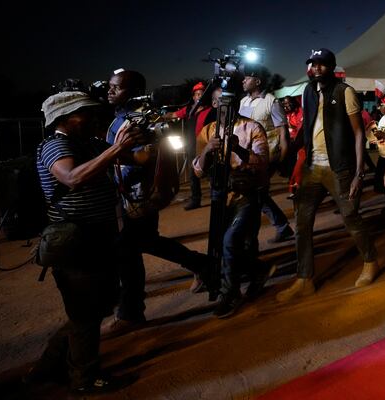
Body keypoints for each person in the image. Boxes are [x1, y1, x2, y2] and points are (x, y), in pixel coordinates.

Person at [29, 92, 141, 393]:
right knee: (84, 314)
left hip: (99, 236)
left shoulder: (89, 143)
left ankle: (47, 368)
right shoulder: (57, 144)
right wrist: (115, 148)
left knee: (91, 309)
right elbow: (72, 177)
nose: (91, 118)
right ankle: (85, 379)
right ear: (64, 118)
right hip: (76, 241)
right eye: (83, 113)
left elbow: (137, 158)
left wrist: (141, 139)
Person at [103, 70, 216, 335]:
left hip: (137, 195)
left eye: (116, 88)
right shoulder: (122, 115)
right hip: (130, 194)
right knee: (145, 242)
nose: (110, 92)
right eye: (109, 87)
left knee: (127, 250)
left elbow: (144, 159)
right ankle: (204, 266)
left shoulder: (138, 119)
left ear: (133, 91)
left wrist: (107, 158)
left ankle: (131, 313)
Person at [276, 48, 379, 302]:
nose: (316, 67)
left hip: (339, 168)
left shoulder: (345, 92)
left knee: (351, 216)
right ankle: (304, 279)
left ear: (331, 66)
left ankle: (370, 261)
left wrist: (358, 173)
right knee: (302, 222)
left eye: (322, 64)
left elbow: (358, 134)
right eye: (313, 63)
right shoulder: (308, 92)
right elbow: (306, 128)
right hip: (313, 168)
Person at [194, 87, 271, 318]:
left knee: (232, 241)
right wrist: (208, 150)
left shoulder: (252, 128)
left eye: (230, 102)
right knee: (224, 244)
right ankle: (257, 271)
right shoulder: (208, 132)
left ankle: (230, 292)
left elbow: (262, 163)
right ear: (215, 105)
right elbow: (197, 170)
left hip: (246, 195)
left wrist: (237, 148)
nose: (225, 107)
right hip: (220, 196)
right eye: (221, 103)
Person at [239, 66, 294, 243]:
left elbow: (282, 133)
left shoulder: (272, 102)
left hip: (265, 157)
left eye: (247, 78)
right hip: (246, 157)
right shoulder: (243, 102)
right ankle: (282, 227)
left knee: (255, 193)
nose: (243, 81)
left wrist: (282, 158)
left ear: (257, 81)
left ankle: (275, 229)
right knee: (256, 194)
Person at [165, 81, 214, 211]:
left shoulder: (212, 110)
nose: (199, 96)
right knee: (193, 176)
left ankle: (217, 198)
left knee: (211, 174)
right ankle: (195, 200)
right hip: (191, 147)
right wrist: (159, 116)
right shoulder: (188, 109)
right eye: (197, 94)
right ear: (193, 97)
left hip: (206, 147)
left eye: (202, 94)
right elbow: (173, 115)